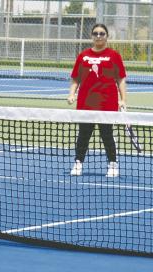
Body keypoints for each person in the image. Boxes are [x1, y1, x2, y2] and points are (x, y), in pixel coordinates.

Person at [67, 23, 127, 177]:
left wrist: (123, 99)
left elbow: (120, 79)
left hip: (108, 103)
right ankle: (78, 163)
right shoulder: (83, 55)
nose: (98, 36)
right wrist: (72, 94)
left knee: (106, 135)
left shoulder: (114, 55)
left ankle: (113, 165)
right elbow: (75, 79)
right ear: (92, 36)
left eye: (102, 33)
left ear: (107, 36)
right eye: (95, 33)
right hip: (86, 103)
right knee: (83, 135)